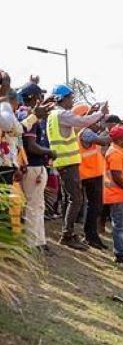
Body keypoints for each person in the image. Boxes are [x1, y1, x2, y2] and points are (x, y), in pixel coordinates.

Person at [46, 84, 107, 249]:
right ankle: (67, 234)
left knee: (73, 198)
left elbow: (78, 125)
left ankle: (69, 233)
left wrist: (91, 114)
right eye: (70, 98)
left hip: (64, 163)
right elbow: (82, 121)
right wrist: (100, 113)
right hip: (68, 163)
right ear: (62, 98)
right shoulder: (61, 114)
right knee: (76, 199)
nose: (72, 101)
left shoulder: (54, 115)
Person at [19, 84, 57, 252]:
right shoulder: (29, 115)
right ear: (33, 98)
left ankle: (39, 241)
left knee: (38, 205)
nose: (41, 100)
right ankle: (32, 243)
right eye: (39, 96)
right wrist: (50, 151)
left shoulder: (30, 115)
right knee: (33, 206)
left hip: (36, 166)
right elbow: (31, 146)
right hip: (32, 166)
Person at [77, 104, 111, 249]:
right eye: (95, 121)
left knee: (95, 207)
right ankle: (90, 236)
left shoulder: (88, 131)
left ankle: (92, 236)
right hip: (89, 175)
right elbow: (103, 141)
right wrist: (115, 133)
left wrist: (102, 119)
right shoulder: (86, 133)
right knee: (94, 207)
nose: (99, 125)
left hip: (94, 174)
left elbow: (101, 133)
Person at [104, 126, 123, 263]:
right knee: (120, 226)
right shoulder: (115, 153)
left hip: (120, 194)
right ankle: (120, 254)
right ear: (120, 139)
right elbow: (116, 176)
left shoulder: (119, 150)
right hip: (117, 194)